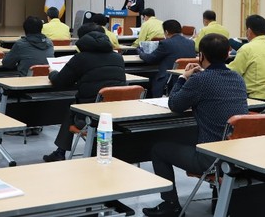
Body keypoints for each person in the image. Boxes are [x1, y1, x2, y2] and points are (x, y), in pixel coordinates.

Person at [142, 34, 248, 217]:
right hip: (237, 155)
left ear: (202, 56)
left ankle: (171, 205)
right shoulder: (237, 78)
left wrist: (183, 77)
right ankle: (218, 200)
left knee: (159, 149)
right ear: (227, 55)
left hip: (211, 158)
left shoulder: (200, 80)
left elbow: (175, 104)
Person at [42, 24, 125, 162]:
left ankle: (60, 152)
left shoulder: (81, 58)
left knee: (72, 108)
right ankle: (59, 152)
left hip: (92, 115)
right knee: (75, 106)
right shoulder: (117, 58)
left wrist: (52, 73)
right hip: (116, 112)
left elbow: (60, 82)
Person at [228, 15, 265, 106]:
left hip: (258, 101)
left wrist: (212, 67)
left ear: (249, 31)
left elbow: (232, 73)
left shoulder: (247, 48)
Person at [138, 20, 197, 97]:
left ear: (166, 32)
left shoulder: (166, 43)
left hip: (168, 81)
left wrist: (140, 52)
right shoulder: (191, 43)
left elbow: (150, 59)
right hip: (187, 80)